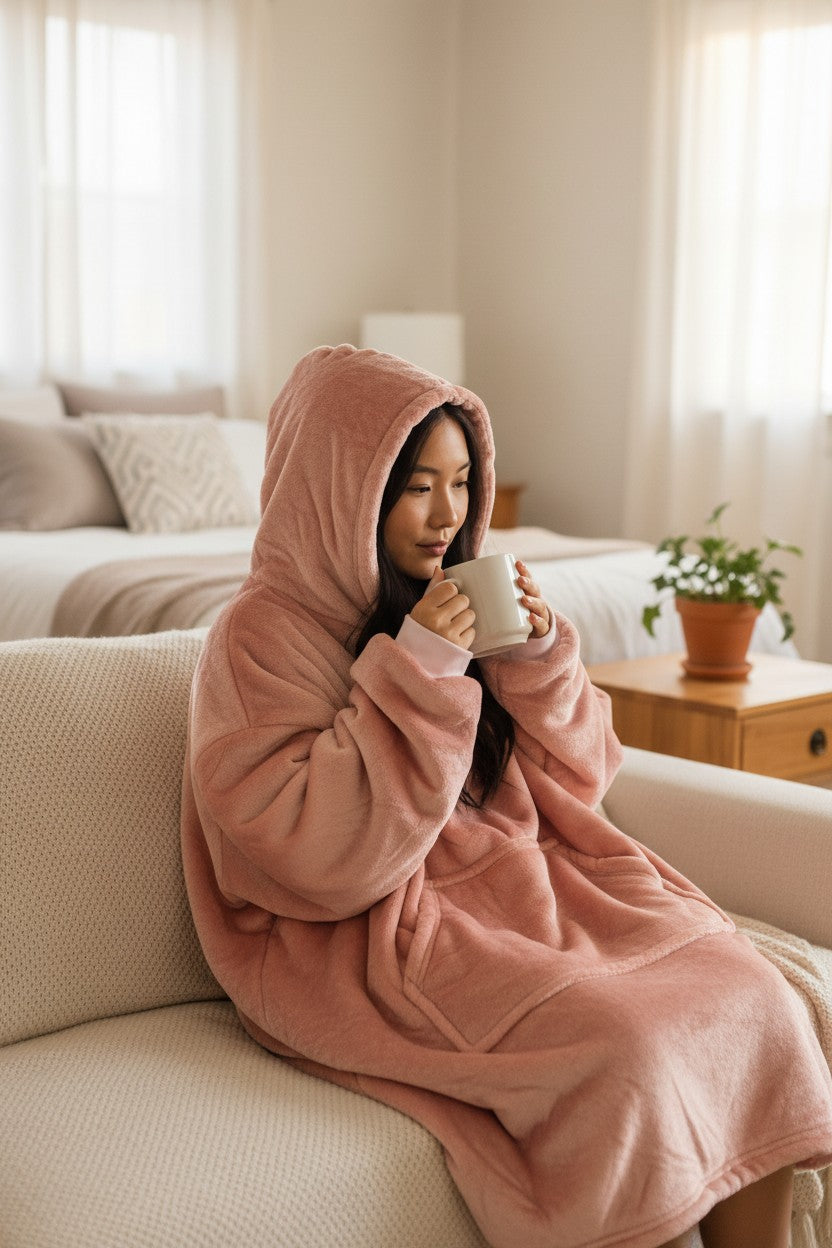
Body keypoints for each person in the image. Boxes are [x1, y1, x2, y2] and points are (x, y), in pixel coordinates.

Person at [181, 345, 832, 1248]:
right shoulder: (259, 638)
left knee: (750, 992)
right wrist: (418, 670)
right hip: (362, 928)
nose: (448, 516)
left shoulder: (444, 594)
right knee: (623, 1046)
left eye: (461, 484)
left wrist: (537, 654)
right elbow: (305, 851)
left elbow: (583, 779)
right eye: (415, 486)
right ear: (343, 486)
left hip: (521, 879)